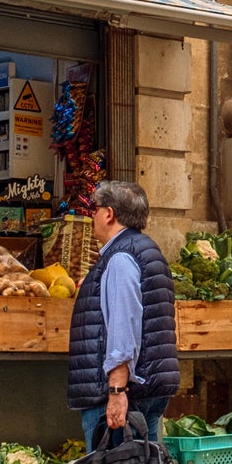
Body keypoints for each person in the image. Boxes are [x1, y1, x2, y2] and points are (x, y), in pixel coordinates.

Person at [67, 180, 179, 442]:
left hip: (125, 393)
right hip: (147, 389)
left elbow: (123, 328)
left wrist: (117, 391)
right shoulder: (146, 251)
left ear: (109, 214)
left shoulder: (120, 258)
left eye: (95, 209)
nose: (92, 215)